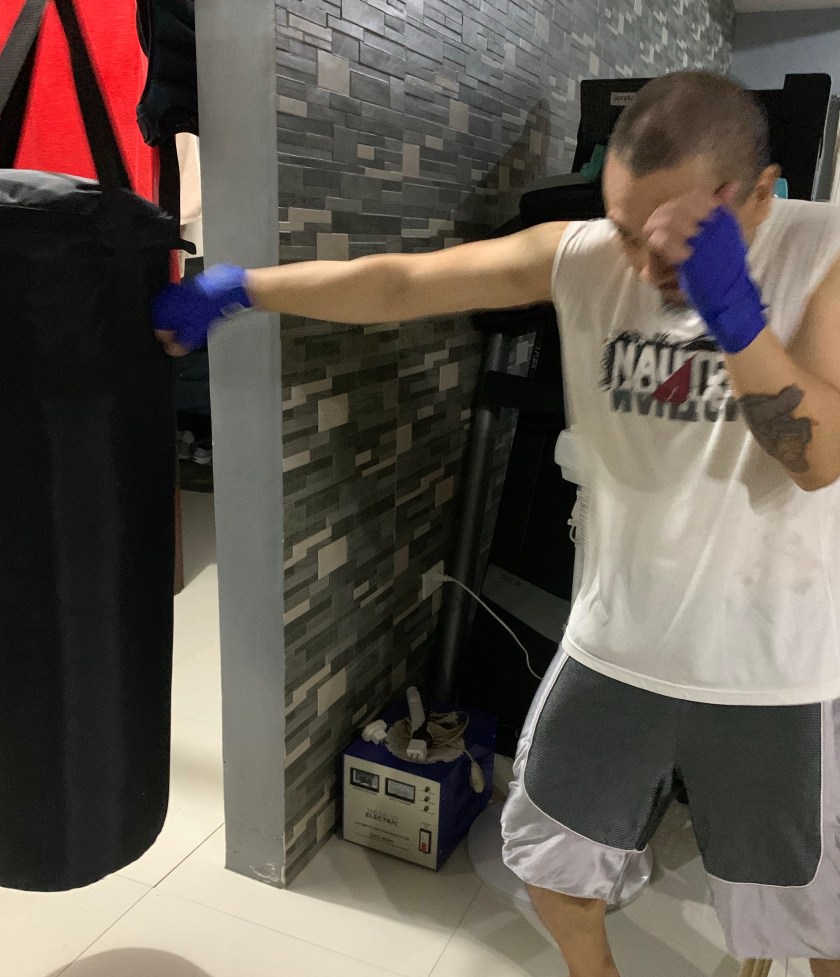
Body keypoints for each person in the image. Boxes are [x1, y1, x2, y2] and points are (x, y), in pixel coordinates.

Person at [154, 71, 840, 976]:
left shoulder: (822, 256)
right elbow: (401, 283)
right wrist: (241, 287)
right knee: (554, 872)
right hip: (619, 641)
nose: (644, 269)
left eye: (677, 243)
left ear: (760, 193)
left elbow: (815, 459)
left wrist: (740, 322)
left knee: (806, 922)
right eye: (627, 231)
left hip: (770, 667)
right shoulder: (585, 256)